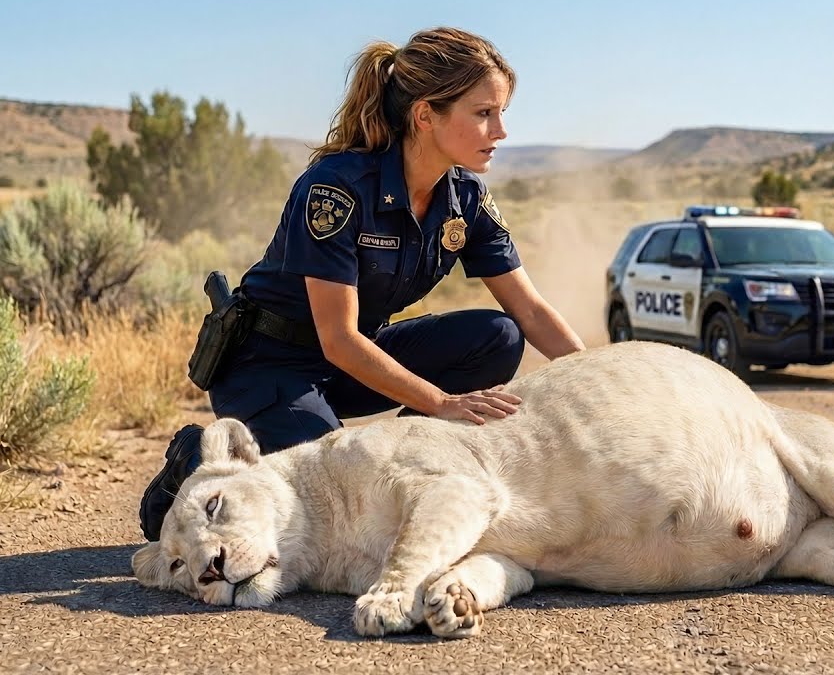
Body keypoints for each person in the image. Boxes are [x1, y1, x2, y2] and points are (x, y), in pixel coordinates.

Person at [139, 27, 586, 541]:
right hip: (269, 366)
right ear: (425, 115)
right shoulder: (337, 188)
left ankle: (404, 462)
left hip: (354, 363)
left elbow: (530, 312)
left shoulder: (465, 198)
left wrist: (605, 383)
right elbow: (338, 338)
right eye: (484, 112)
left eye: (501, 112)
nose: (501, 130)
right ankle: (196, 461)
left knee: (498, 336)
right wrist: (442, 404)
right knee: (334, 509)